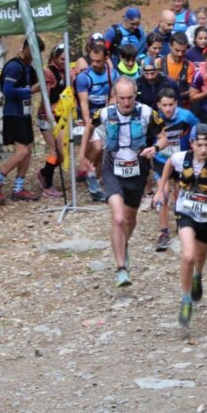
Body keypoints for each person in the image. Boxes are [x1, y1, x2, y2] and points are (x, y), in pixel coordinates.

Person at [81, 76, 167, 287]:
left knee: (130, 218)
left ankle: (123, 245)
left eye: (130, 97)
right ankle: (121, 268)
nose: (126, 102)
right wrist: (83, 156)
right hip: (113, 169)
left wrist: (155, 148)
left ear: (135, 96)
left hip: (137, 170)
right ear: (115, 97)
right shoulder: (105, 113)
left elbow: (165, 136)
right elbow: (88, 128)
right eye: (122, 98)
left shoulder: (147, 113)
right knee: (118, 218)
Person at [153, 123, 207, 328]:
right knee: (188, 255)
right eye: (199, 144)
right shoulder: (180, 158)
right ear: (191, 144)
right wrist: (160, 189)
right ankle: (185, 299)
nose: (203, 149)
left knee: (200, 257)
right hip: (186, 212)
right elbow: (167, 166)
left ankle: (198, 276)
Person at [0, 37, 45, 204]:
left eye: (37, 54)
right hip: (13, 113)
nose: (34, 56)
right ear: (25, 47)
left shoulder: (29, 67)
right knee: (22, 152)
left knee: (28, 151)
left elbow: (39, 83)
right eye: (32, 52)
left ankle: (18, 188)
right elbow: (7, 91)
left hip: (25, 113)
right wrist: (29, 90)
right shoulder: (14, 66)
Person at [151, 88, 200, 251]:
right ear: (159, 105)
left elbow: (199, 130)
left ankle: (182, 221)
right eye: (164, 105)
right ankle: (163, 232)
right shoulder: (154, 118)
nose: (168, 109)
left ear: (176, 104)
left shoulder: (186, 116)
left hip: (182, 160)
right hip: (161, 160)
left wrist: (196, 149)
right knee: (163, 194)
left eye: (171, 105)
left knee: (180, 194)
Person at [75, 42, 118, 202]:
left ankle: (95, 181)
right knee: (98, 147)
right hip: (87, 117)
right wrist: (88, 123)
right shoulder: (83, 77)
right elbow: (83, 102)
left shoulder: (111, 74)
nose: (94, 64)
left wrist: (109, 114)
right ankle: (88, 171)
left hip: (104, 115)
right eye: (92, 60)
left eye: (98, 61)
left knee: (105, 150)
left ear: (106, 58)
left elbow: (113, 95)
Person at [35, 42, 69, 198]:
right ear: (55, 57)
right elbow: (46, 98)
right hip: (47, 116)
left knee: (63, 153)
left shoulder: (67, 72)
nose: (65, 61)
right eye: (62, 59)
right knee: (54, 150)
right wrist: (51, 119)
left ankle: (43, 172)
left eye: (66, 59)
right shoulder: (49, 72)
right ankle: (47, 184)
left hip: (61, 116)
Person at [161, 32, 195, 107]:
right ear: (170, 46)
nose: (180, 54)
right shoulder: (159, 63)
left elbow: (192, 91)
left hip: (183, 107)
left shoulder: (189, 65)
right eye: (177, 50)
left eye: (183, 51)